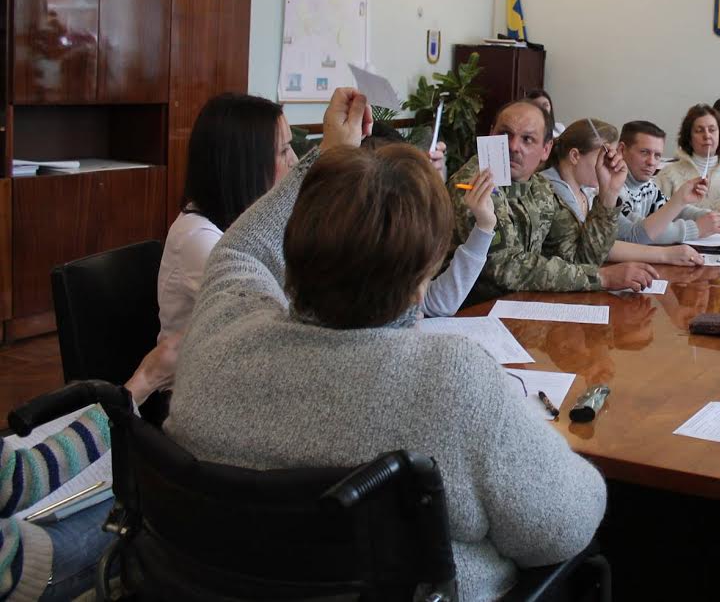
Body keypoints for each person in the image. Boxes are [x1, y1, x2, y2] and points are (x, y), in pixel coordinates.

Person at [165, 88, 607, 602]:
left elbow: (242, 249)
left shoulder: (219, 328)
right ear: (423, 280)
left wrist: (328, 156)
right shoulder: (453, 381)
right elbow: (567, 525)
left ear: (293, 248)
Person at [1, 336, 179, 602]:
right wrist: (143, 381)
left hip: (13, 540)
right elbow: (20, 481)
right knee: (165, 514)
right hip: (18, 577)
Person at [446, 100, 660, 302]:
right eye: (505, 134)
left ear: (546, 149)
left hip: (519, 304)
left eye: (527, 139)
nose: (513, 146)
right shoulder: (474, 181)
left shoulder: (540, 187)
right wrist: (602, 277)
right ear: (491, 133)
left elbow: (580, 259)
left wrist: (608, 194)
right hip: (468, 310)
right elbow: (504, 266)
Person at [158, 93, 295, 339]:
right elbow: (273, 317)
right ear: (246, 164)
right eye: (284, 150)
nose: (294, 160)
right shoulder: (198, 238)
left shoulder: (247, 221)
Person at [541, 119, 702, 266]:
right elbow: (585, 254)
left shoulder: (585, 190)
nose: (609, 164)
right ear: (575, 156)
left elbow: (627, 235)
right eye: (604, 157)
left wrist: (610, 192)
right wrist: (664, 255)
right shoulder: (554, 189)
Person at [617, 120, 720, 244]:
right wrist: (696, 229)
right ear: (621, 150)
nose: (651, 162)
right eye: (644, 152)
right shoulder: (613, 191)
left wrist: (713, 218)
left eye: (657, 155)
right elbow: (640, 231)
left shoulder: (648, 186)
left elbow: (671, 212)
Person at [655, 104, 720, 225]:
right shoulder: (668, 175)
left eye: (712, 130)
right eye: (699, 131)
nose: (707, 135)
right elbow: (654, 220)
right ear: (689, 138)